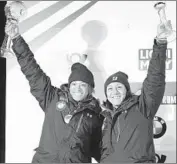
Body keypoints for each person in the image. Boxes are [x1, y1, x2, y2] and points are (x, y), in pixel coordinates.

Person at [5, 20, 103, 163]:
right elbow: (32, 71)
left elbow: (100, 150)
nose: (77, 88)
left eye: (83, 85)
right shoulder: (52, 97)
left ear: (90, 89)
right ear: (69, 86)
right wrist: (16, 38)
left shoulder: (95, 115)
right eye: (74, 84)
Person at [100, 22, 169, 163]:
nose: (114, 92)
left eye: (119, 87)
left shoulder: (142, 107)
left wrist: (160, 44)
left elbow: (154, 80)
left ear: (127, 90)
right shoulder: (105, 117)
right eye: (110, 89)